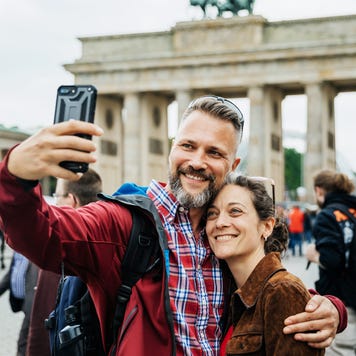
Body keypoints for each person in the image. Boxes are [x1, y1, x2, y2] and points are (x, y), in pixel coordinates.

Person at [0, 96, 346, 355]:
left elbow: (268, 287)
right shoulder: (123, 223)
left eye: (214, 152)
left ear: (233, 163)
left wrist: (331, 308)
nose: (196, 162)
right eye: (188, 146)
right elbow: (44, 235)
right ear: (171, 149)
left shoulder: (223, 231)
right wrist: (16, 175)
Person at [206, 174, 324, 355]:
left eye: (235, 211)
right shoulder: (226, 293)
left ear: (267, 226)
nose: (220, 222)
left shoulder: (281, 291)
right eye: (212, 213)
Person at [26, 168, 103, 356]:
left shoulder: (61, 248)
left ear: (71, 199)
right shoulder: (108, 243)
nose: (55, 200)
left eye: (57, 194)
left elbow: (40, 323)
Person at [306, 169, 356, 355]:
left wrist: (314, 256)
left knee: (342, 349)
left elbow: (332, 260)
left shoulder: (327, 215)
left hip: (343, 298)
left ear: (319, 191)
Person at [0, 251, 38, 356]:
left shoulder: (34, 250)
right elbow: (11, 273)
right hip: (20, 302)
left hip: (32, 305)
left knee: (24, 340)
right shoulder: (16, 250)